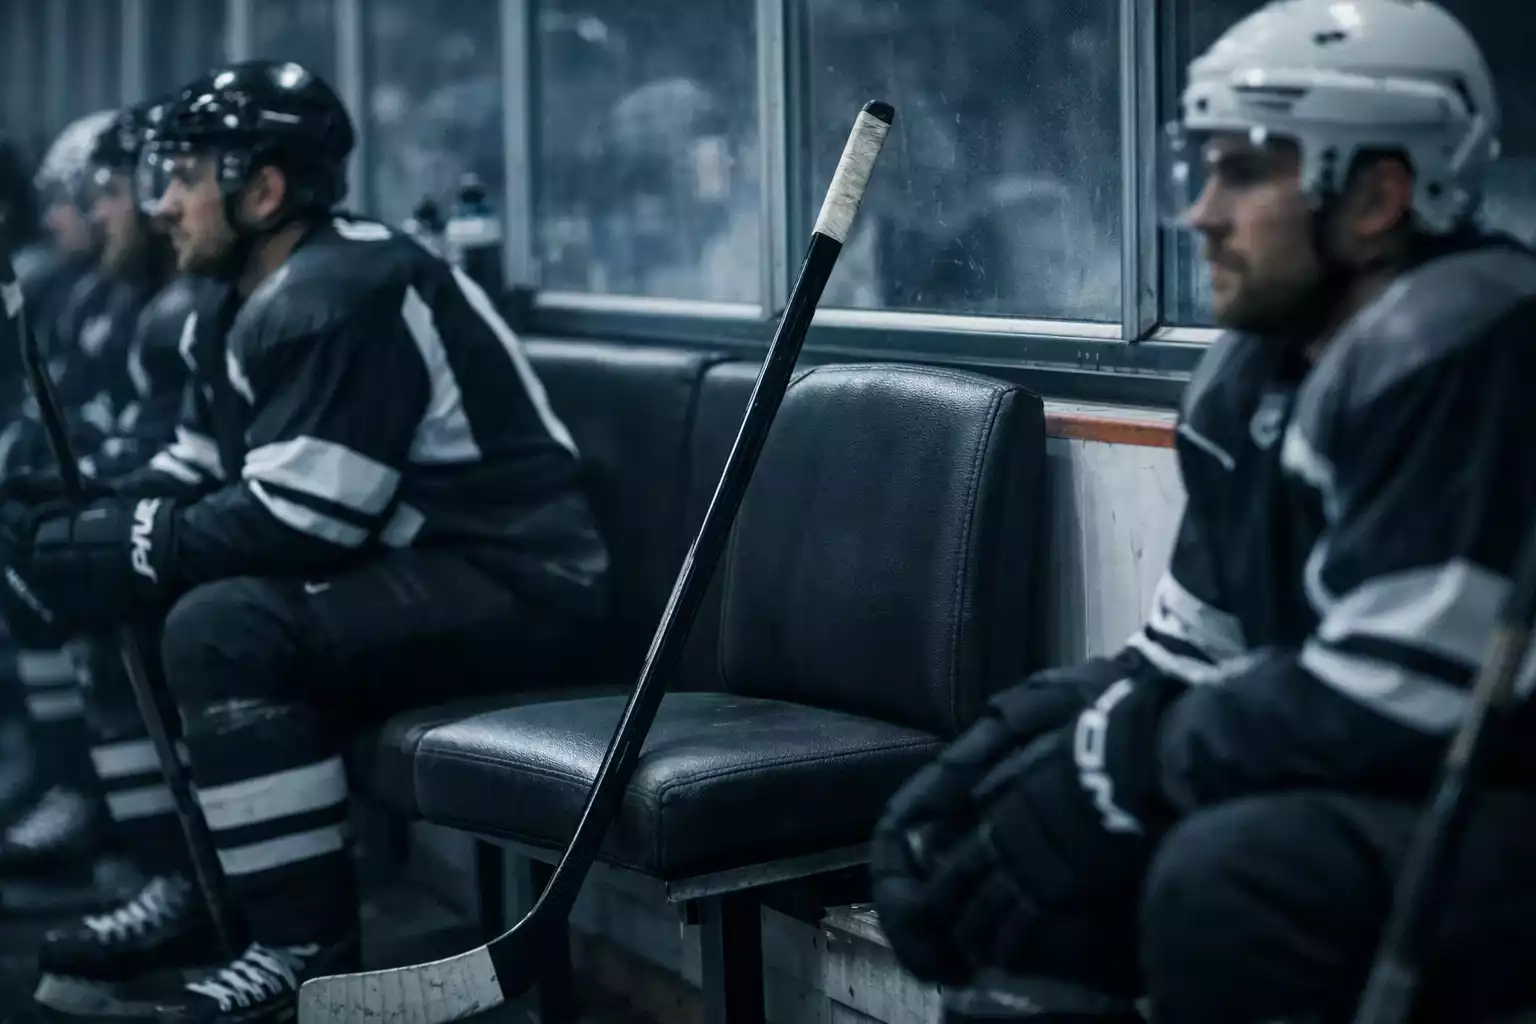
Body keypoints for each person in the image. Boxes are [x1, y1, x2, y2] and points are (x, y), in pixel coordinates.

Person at [871, 2, 1536, 1022]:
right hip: (1389, 775)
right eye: (1204, 168)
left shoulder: (1473, 352)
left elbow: (1400, 699)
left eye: (1246, 172)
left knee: (1232, 881)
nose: (1201, 212)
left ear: (1375, 196)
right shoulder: (1259, 376)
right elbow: (1190, 652)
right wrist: (1006, 747)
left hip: (1494, 787)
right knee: (1021, 857)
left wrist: (1115, 763)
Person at [2, 58, 608, 1022]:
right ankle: (194, 892)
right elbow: (198, 468)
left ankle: (297, 949)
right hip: (418, 566)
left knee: (222, 626)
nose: (161, 204)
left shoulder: (345, 287)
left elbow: (308, 516)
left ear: (265, 187)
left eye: (185, 177)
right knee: (121, 585)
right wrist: (93, 517)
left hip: (524, 580)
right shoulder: (234, 297)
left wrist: (132, 539)